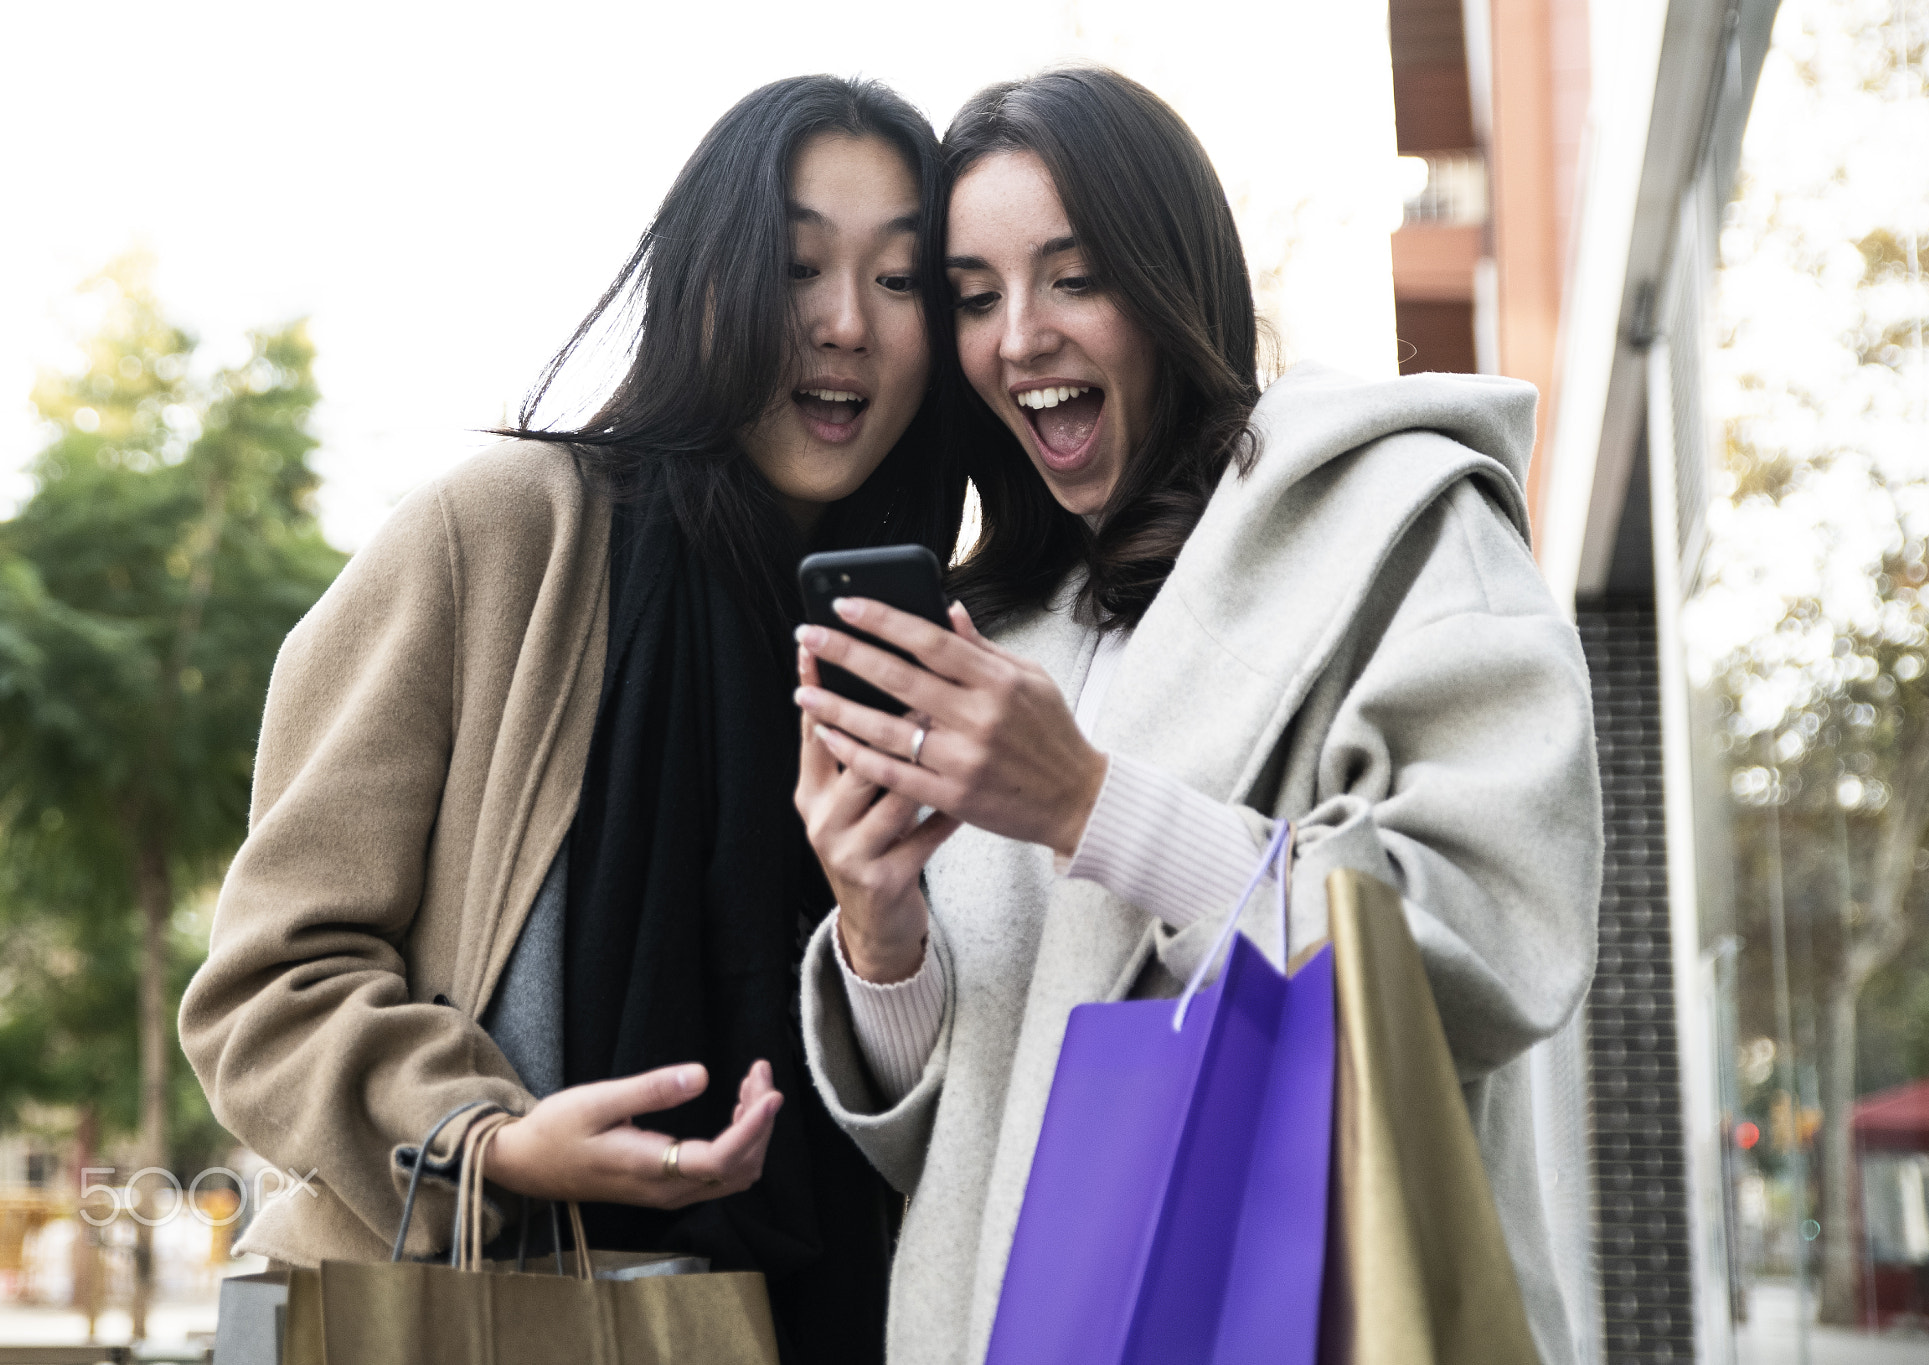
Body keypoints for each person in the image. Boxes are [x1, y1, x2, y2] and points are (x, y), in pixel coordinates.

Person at [790, 67, 1602, 1365]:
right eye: (976, 297)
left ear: (1172, 282)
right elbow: (962, 1123)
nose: (1018, 339)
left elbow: (1499, 930)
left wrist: (1091, 805)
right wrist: (881, 931)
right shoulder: (998, 630)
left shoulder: (1391, 522)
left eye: (1073, 275)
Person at [178, 75, 964, 1365]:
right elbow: (267, 986)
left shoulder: (937, 640)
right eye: (794, 265)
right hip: (477, 1307)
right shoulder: (499, 539)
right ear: (703, 284)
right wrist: (493, 1144)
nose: (845, 325)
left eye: (899, 282)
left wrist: (889, 936)